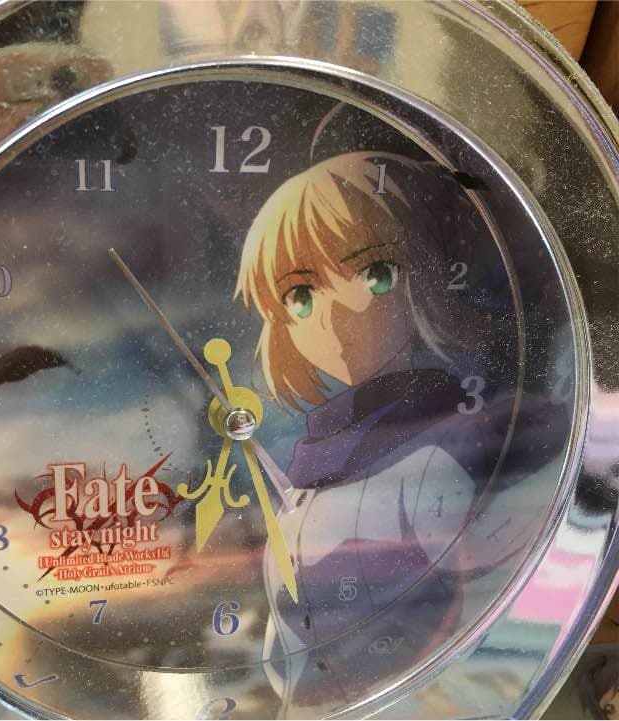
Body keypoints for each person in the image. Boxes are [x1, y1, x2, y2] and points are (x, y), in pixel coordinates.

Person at [235, 151, 555, 715]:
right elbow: (284, 650)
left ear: (427, 278)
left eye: (373, 275)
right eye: (300, 297)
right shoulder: (307, 478)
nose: (331, 316)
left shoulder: (461, 441)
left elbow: (503, 606)